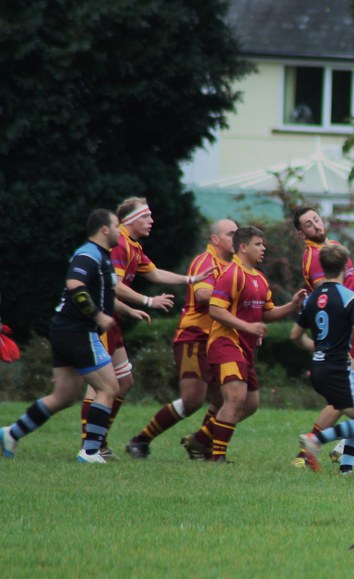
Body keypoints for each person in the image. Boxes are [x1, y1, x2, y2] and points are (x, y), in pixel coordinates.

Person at [2, 210, 149, 462]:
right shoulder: (88, 254)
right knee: (109, 386)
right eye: (116, 226)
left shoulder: (101, 257)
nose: (119, 230)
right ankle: (90, 451)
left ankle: (11, 434)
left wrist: (128, 310)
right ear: (104, 230)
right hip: (77, 330)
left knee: (64, 395)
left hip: (66, 329)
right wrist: (97, 315)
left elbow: (105, 295)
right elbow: (75, 286)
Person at [81, 196, 206, 459]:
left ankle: (98, 439)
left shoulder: (133, 246)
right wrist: (147, 300)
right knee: (99, 386)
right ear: (131, 221)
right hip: (98, 319)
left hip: (111, 319)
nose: (152, 221)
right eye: (147, 217)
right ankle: (90, 445)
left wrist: (191, 279)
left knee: (123, 381)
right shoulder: (119, 243)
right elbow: (114, 283)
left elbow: (155, 273)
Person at [179, 226, 306, 461]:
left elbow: (266, 313)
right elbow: (216, 310)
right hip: (225, 344)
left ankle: (199, 441)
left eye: (263, 244)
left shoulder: (259, 278)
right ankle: (217, 456)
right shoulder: (230, 273)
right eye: (258, 244)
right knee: (236, 400)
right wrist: (248, 327)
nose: (263, 248)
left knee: (250, 404)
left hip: (245, 348)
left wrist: (292, 306)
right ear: (243, 247)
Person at [124, 219, 238, 458]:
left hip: (218, 339)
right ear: (215, 239)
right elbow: (203, 293)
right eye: (231, 234)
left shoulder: (231, 265)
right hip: (194, 337)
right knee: (192, 400)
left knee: (226, 400)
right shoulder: (205, 261)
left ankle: (201, 445)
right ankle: (140, 440)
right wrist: (234, 295)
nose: (236, 238)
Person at [292, 206, 354, 472]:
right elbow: (330, 297)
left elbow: (349, 279)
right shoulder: (314, 257)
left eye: (316, 218)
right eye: (308, 224)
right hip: (346, 327)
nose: (316, 224)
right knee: (340, 400)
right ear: (301, 233)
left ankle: (346, 450)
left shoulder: (334, 247)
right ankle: (310, 450)